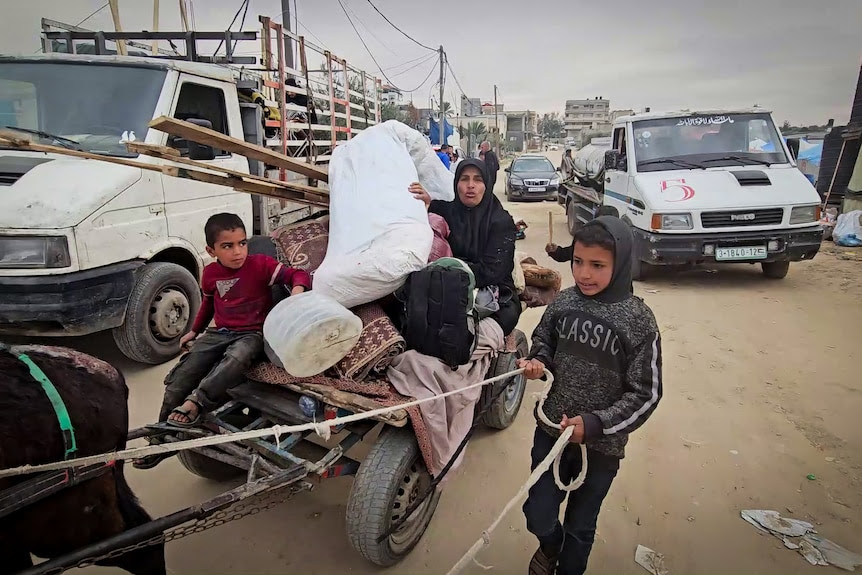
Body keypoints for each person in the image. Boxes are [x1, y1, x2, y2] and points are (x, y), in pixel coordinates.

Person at [517, 217, 663, 575]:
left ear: (621, 264)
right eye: (578, 262)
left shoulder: (639, 320)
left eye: (597, 265)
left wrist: (597, 424)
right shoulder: (564, 303)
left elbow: (647, 393)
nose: (584, 273)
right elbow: (544, 337)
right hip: (551, 432)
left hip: (601, 447)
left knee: (581, 527)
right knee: (537, 512)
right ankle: (550, 546)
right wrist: (539, 360)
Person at [134, 213, 311, 469]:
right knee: (182, 374)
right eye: (228, 246)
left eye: (242, 243)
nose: (237, 251)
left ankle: (197, 402)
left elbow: (298, 275)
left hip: (253, 333)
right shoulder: (210, 273)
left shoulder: (261, 265)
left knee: (237, 357)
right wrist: (194, 331)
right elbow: (208, 304)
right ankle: (160, 439)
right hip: (221, 332)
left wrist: (297, 292)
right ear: (211, 250)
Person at [409, 159, 521, 335]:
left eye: (478, 179)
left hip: (496, 299)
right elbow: (429, 206)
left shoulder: (501, 222)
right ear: (456, 184)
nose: (471, 186)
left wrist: (445, 273)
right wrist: (423, 201)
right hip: (446, 291)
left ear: (487, 185)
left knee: (464, 338)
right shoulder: (447, 212)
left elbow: (492, 272)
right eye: (464, 179)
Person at [546, 205, 620, 263]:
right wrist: (556, 251)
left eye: (597, 266)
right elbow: (568, 253)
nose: (585, 275)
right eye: (578, 262)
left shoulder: (623, 245)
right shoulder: (589, 240)